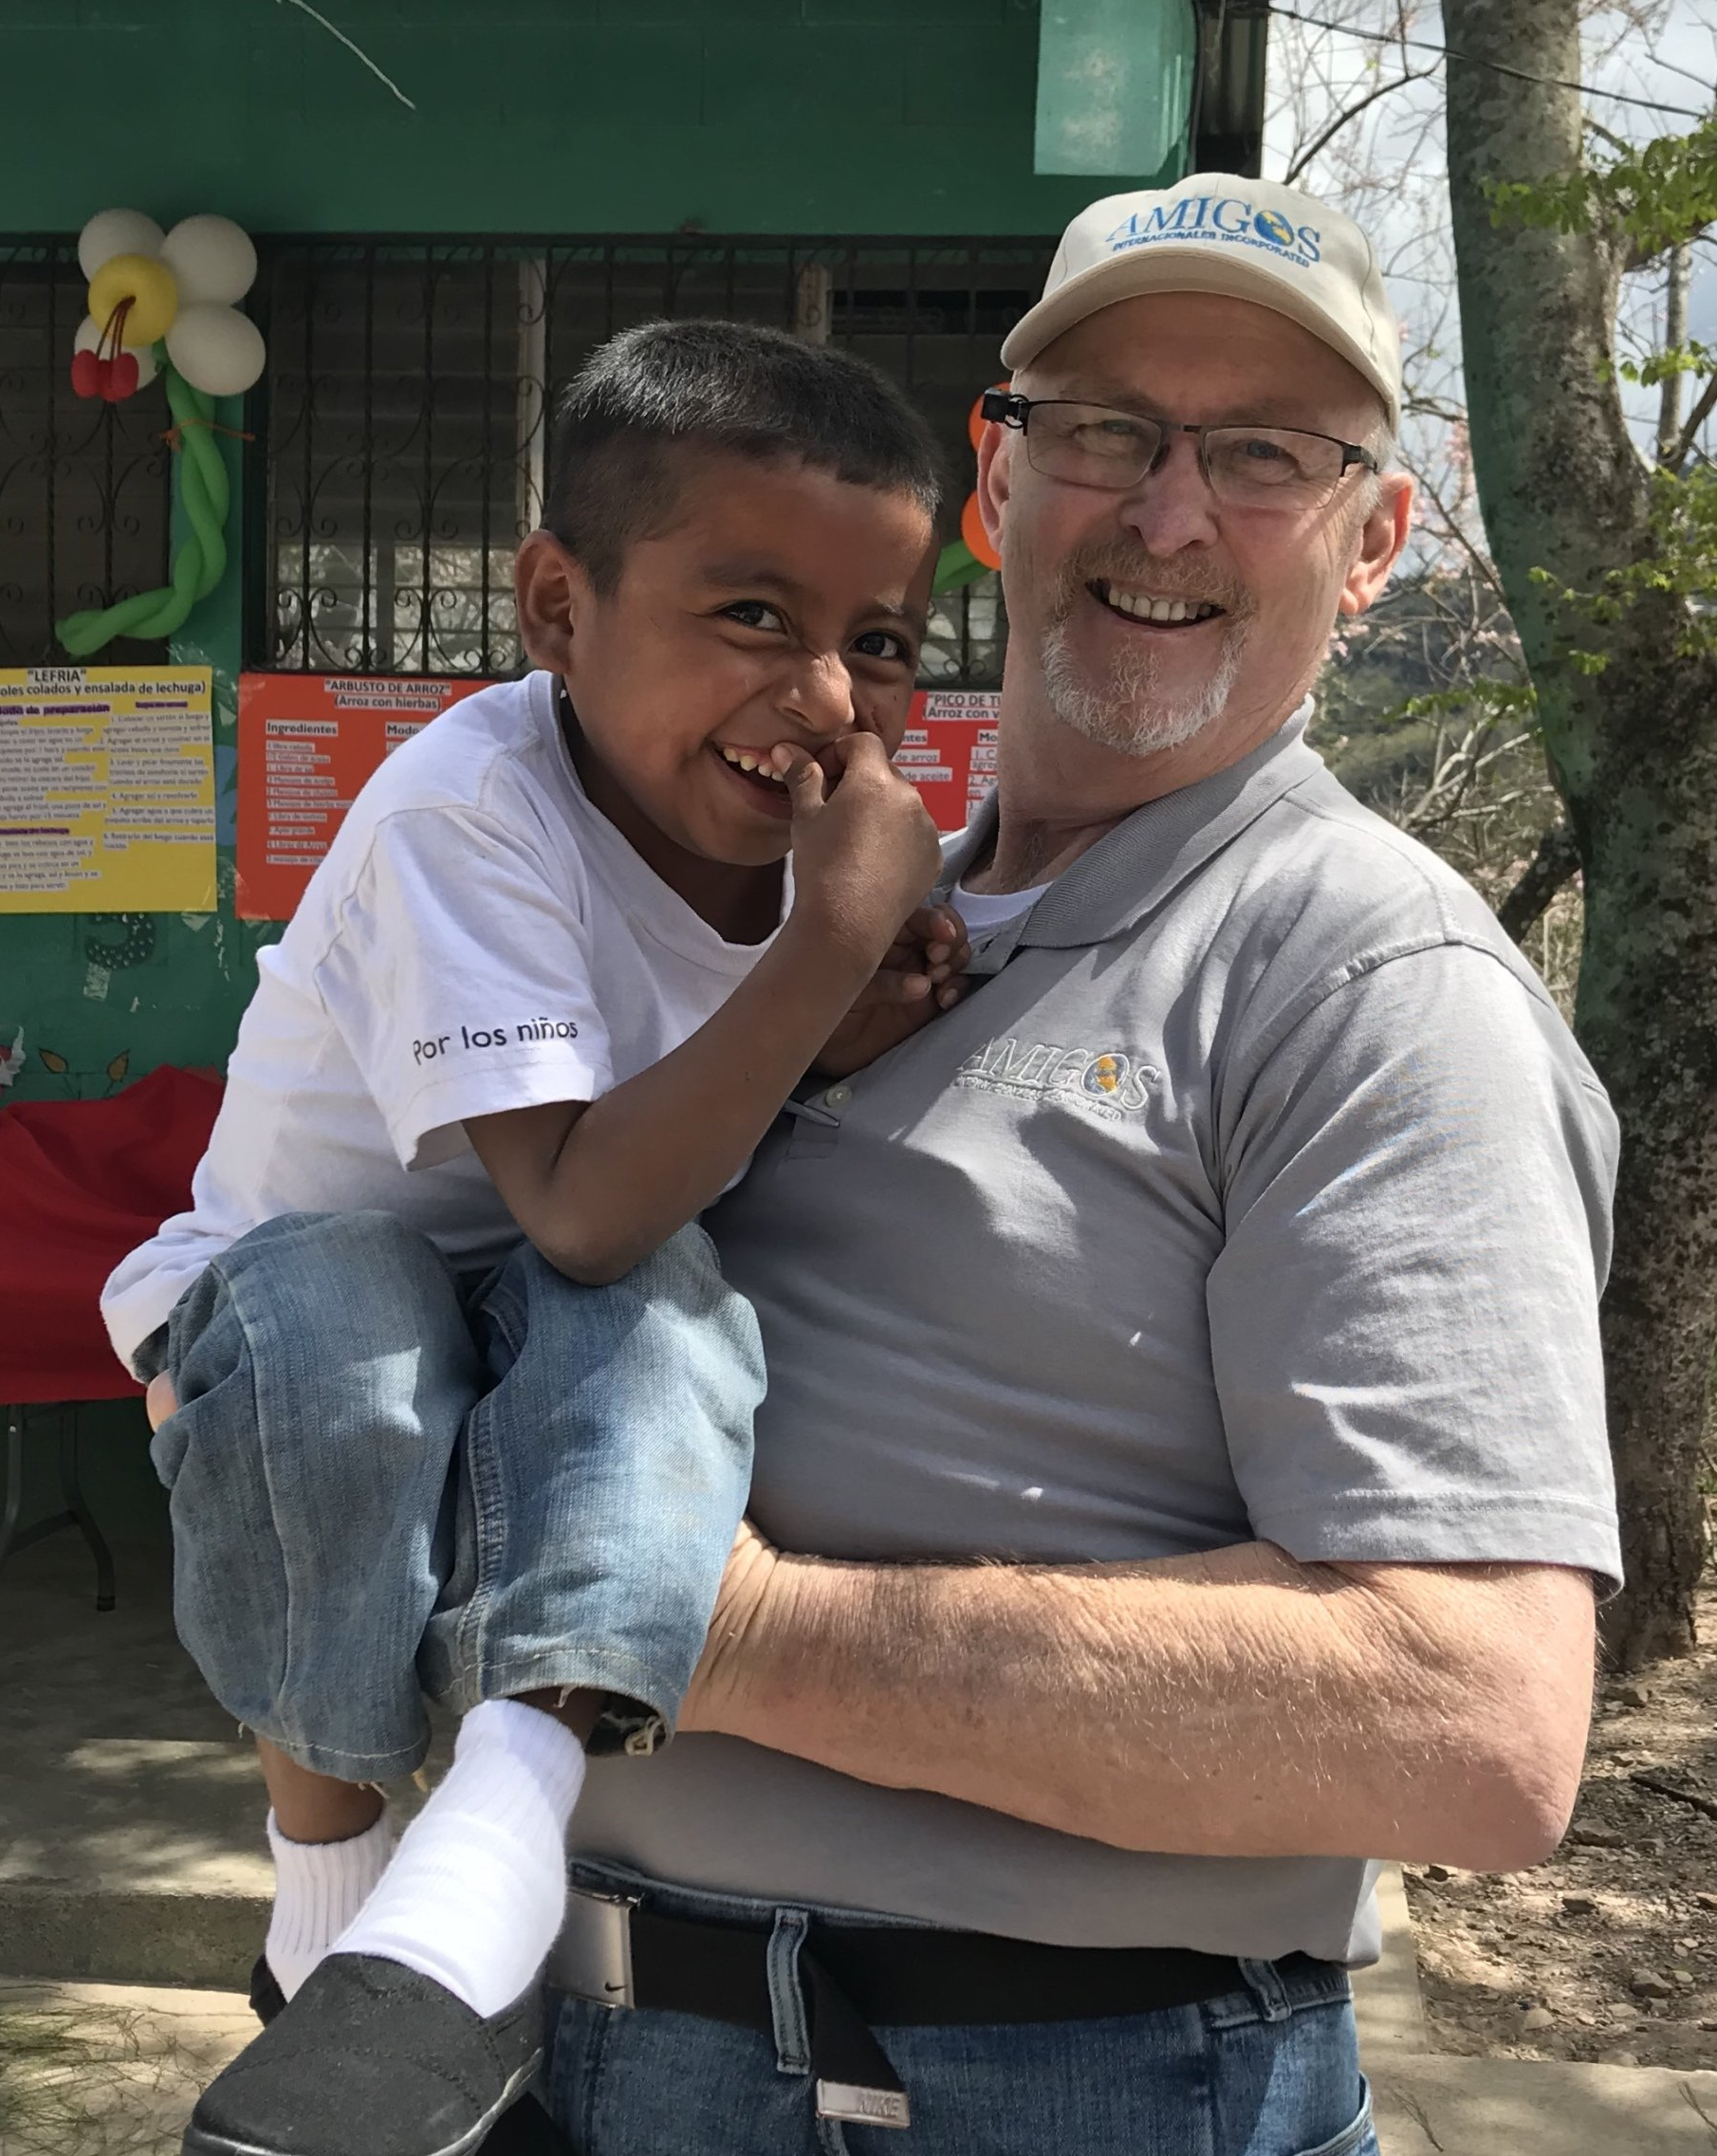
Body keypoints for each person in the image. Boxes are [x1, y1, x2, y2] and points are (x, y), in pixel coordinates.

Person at [545, 175, 1623, 2156]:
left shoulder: (1364, 976)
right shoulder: (850, 933)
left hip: (1046, 2089)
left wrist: (712, 1629)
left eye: (1265, 458)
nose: (1166, 511)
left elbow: (1466, 1721)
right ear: (992, 482)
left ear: (1375, 538)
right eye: (1105, 429)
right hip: (622, 2050)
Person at [101, 320, 967, 2156]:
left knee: (669, 1316)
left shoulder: (821, 848)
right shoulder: (466, 810)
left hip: (549, 1305)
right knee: (369, 1309)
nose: (826, 694)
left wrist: (849, 992)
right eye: (751, 616)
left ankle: (495, 1830)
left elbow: (635, 1223)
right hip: (289, 1326)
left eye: (878, 640)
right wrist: (824, 961)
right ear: (557, 608)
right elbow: (574, 1200)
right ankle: (329, 1903)